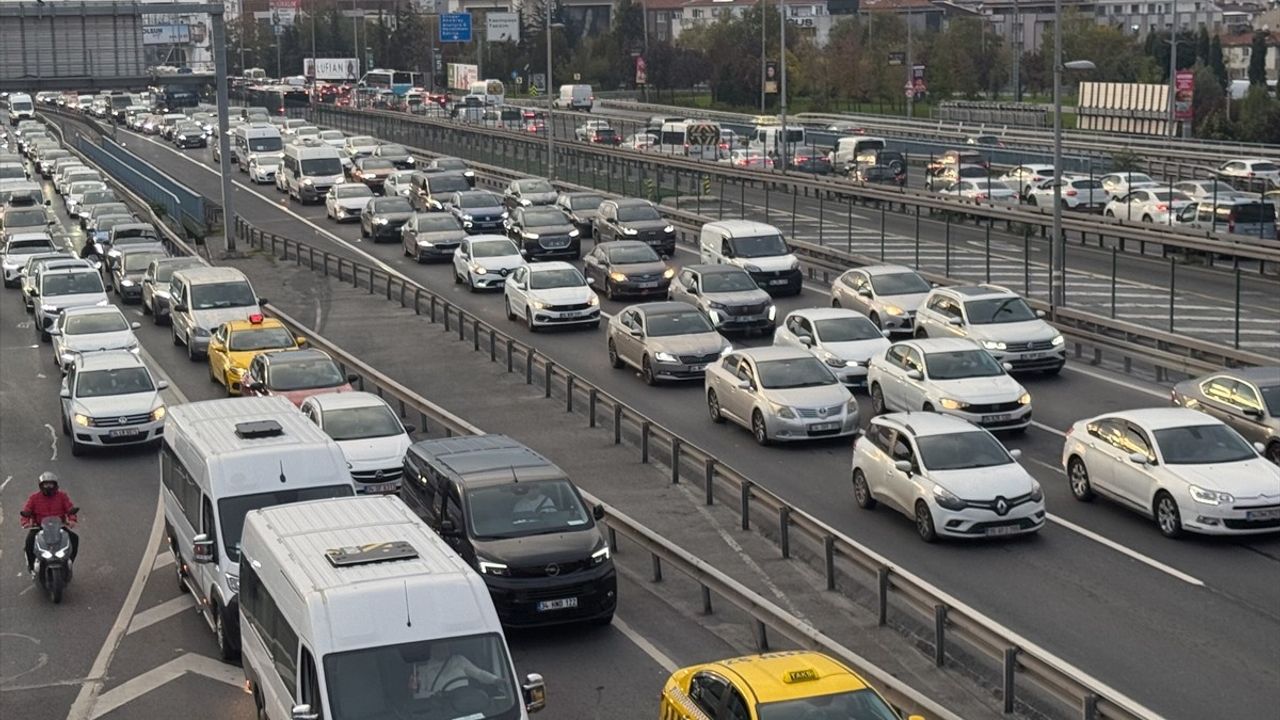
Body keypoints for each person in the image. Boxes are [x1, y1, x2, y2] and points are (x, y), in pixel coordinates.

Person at [21, 472, 79, 575]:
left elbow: (70, 509)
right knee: (29, 542)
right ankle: (32, 566)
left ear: (55, 485)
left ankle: (68, 562)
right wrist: (25, 522)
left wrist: (72, 520)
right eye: (46, 484)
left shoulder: (62, 496)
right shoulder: (34, 498)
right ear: (41, 485)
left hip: (59, 527)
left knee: (74, 538)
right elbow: (26, 511)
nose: (48, 487)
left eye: (51, 484)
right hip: (39, 528)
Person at [408, 640, 500, 700]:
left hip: (465, 702)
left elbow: (480, 674)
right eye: (439, 646)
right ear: (432, 649)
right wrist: (437, 695)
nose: (444, 648)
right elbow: (418, 696)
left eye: (445, 645)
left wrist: (496, 680)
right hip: (440, 708)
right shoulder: (423, 669)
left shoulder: (459, 660)